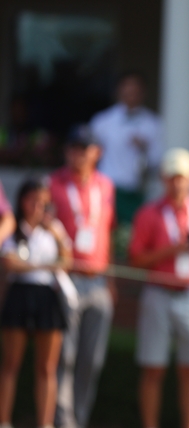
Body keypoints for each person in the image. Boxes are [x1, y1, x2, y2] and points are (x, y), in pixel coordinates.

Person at [128, 148, 189, 428]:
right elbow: (136, 259)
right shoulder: (149, 213)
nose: (177, 183)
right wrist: (171, 250)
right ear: (163, 179)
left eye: (181, 177)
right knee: (153, 368)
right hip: (158, 293)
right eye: (171, 177)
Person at [48, 126, 116, 428]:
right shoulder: (53, 183)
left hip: (98, 279)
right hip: (67, 278)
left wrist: (111, 277)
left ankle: (80, 418)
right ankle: (64, 421)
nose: (78, 153)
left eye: (84, 148)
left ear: (97, 152)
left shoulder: (106, 186)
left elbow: (106, 233)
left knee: (93, 359)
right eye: (74, 147)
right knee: (66, 355)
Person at [0, 179, 72, 428]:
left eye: (44, 203)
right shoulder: (13, 229)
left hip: (47, 297)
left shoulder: (54, 230)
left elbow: (67, 261)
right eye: (34, 201)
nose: (39, 207)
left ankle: (45, 423)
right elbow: (10, 263)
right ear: (23, 201)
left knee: (47, 368)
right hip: (20, 295)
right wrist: (44, 265)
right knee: (10, 363)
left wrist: (56, 237)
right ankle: (4, 421)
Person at [90, 71, 162, 224]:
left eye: (135, 90)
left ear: (143, 93)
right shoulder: (102, 122)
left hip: (137, 192)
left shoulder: (154, 124)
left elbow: (158, 160)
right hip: (108, 190)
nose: (130, 94)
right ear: (119, 91)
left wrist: (145, 147)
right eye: (127, 89)